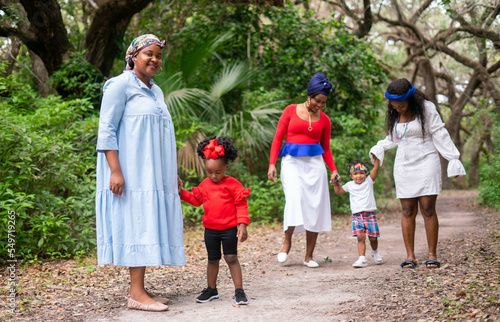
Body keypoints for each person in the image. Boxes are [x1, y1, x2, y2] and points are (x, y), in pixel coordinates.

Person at [95, 34, 185, 312]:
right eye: (149, 54)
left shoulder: (156, 91)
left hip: (153, 172)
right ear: (133, 56)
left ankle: (141, 289)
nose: (155, 60)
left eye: (158, 55)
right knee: (136, 222)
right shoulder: (119, 86)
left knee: (146, 223)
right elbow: (106, 130)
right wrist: (115, 171)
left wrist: (172, 172)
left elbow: (160, 136)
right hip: (130, 172)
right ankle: (135, 293)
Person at [369, 78, 466, 269]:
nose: (398, 109)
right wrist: (379, 148)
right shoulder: (395, 112)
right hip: (404, 164)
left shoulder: (427, 108)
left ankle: (432, 254)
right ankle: (410, 256)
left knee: (427, 208)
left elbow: (439, 133)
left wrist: (453, 159)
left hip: (426, 160)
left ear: (410, 99)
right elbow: (393, 138)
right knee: (407, 210)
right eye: (394, 106)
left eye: (401, 105)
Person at [268, 73, 339, 268]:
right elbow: (277, 138)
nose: (320, 105)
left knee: (314, 206)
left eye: (324, 102)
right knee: (294, 198)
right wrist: (272, 163)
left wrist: (333, 170)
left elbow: (326, 148)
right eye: (318, 101)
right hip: (291, 163)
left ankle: (309, 256)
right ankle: (287, 242)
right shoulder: (290, 110)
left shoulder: (325, 120)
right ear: (310, 95)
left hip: (315, 165)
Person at [179, 136, 251, 305]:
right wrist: (182, 193)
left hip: (229, 230)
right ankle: (211, 290)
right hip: (210, 230)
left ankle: (239, 291)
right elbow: (196, 200)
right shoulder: (205, 184)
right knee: (212, 259)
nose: (214, 176)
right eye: (210, 172)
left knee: (231, 258)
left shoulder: (233, 184)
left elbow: (241, 205)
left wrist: (242, 225)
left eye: (218, 172)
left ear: (226, 167)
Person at [333, 159, 384, 268]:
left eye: (361, 173)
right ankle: (362, 259)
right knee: (360, 237)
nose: (359, 176)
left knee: (373, 238)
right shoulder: (349, 185)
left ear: (366, 174)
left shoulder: (369, 181)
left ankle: (375, 252)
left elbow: (375, 169)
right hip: (357, 216)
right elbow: (338, 191)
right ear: (351, 176)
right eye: (355, 174)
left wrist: (376, 159)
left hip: (369, 215)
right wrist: (335, 183)